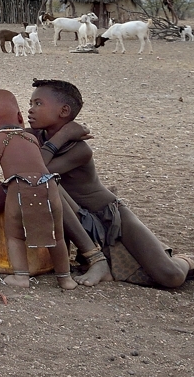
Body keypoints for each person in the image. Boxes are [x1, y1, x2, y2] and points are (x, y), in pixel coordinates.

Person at [28, 78, 182, 288]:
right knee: (45, 184)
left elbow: (40, 169)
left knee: (169, 276)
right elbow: (34, 176)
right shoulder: (33, 137)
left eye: (38, 104)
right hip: (76, 217)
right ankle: (96, 260)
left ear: (64, 111)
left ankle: (190, 262)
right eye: (30, 104)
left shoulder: (80, 149)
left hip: (109, 215)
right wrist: (61, 135)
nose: (31, 109)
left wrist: (62, 136)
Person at [0, 90, 74, 291]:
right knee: (56, 236)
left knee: (15, 235)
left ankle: (21, 277)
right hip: (48, 185)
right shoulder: (31, 137)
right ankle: (65, 279)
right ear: (20, 117)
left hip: (19, 187)